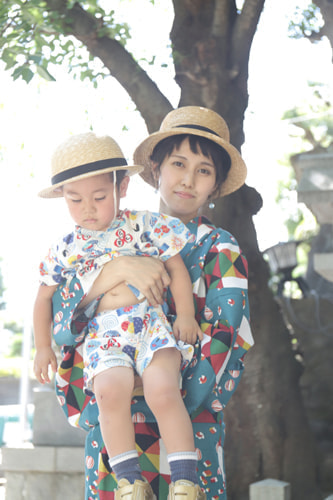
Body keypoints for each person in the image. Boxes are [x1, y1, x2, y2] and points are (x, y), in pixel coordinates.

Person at [53, 107, 254, 500]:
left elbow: (230, 336)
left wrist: (167, 393)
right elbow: (61, 327)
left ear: (214, 186)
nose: (188, 179)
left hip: (188, 424)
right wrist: (115, 270)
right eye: (178, 163)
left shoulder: (220, 247)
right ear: (156, 168)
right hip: (114, 427)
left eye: (204, 170)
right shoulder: (97, 240)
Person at [33, 132, 206, 500]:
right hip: (104, 335)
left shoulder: (142, 225)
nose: (87, 208)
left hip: (149, 324)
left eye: (98, 197)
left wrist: (186, 315)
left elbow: (175, 267)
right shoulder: (66, 247)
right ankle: (129, 480)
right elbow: (43, 296)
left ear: (122, 186)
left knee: (163, 389)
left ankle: (185, 480)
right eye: (74, 199)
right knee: (109, 392)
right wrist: (42, 345)